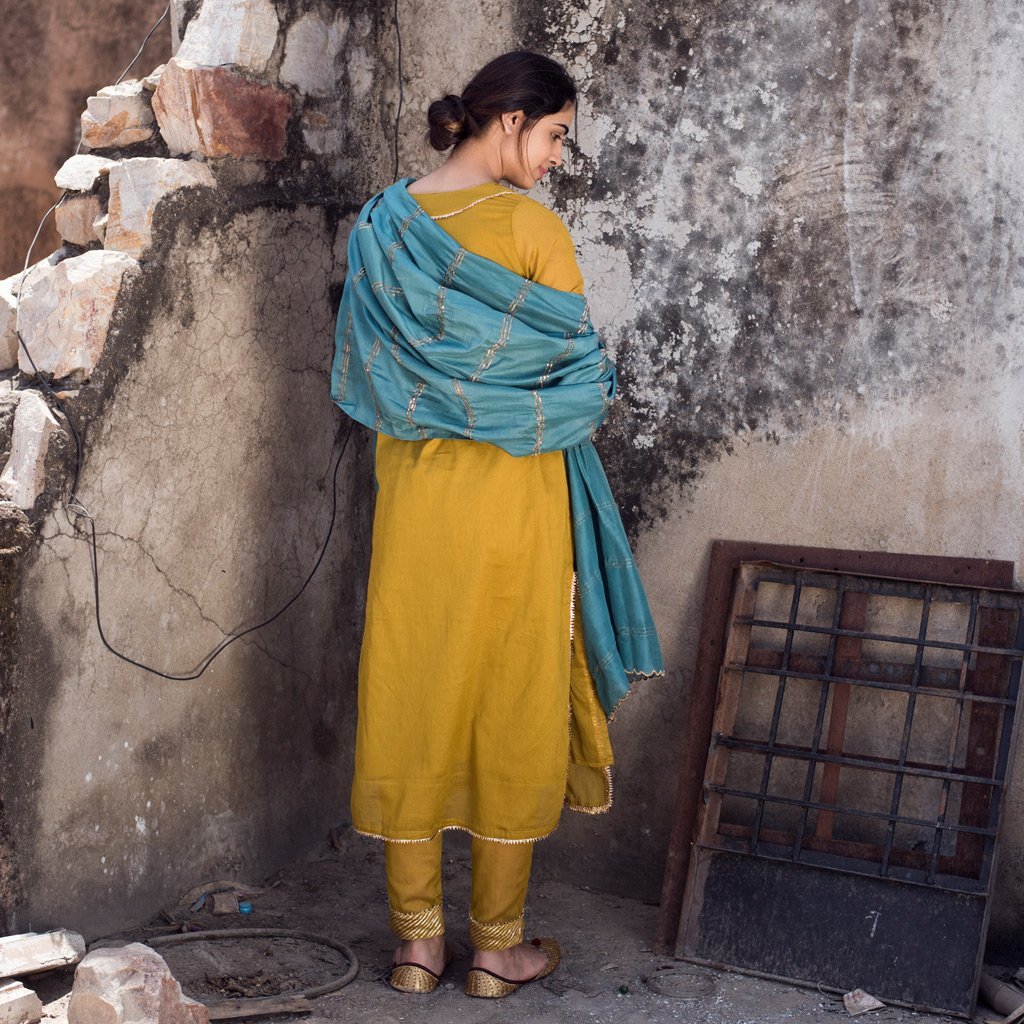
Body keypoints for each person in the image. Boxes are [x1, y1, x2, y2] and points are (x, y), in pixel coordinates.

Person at [330, 51, 662, 999]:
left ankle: (415, 946)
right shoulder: (530, 232)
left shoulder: (383, 230)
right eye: (555, 133)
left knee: (414, 685)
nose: (557, 156)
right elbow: (579, 390)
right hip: (518, 511)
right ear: (510, 121)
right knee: (510, 694)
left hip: (419, 509)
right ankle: (497, 948)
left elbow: (368, 382)